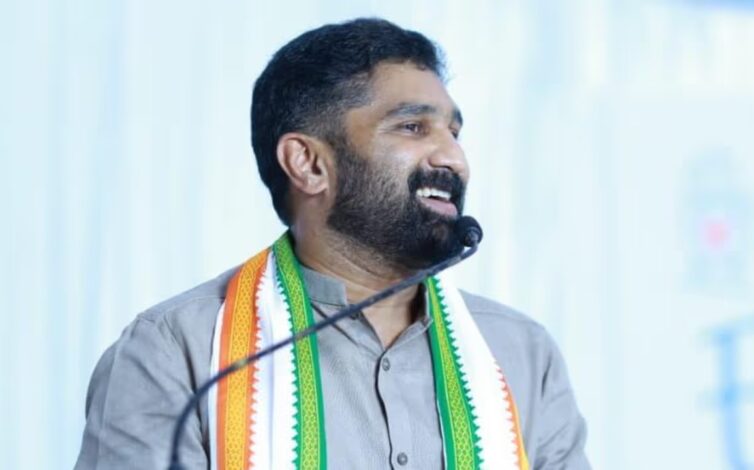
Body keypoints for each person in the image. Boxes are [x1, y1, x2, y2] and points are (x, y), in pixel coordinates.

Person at [75, 18, 590, 470]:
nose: (454, 159)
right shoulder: (174, 351)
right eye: (413, 127)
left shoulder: (520, 353)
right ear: (308, 164)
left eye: (453, 133)